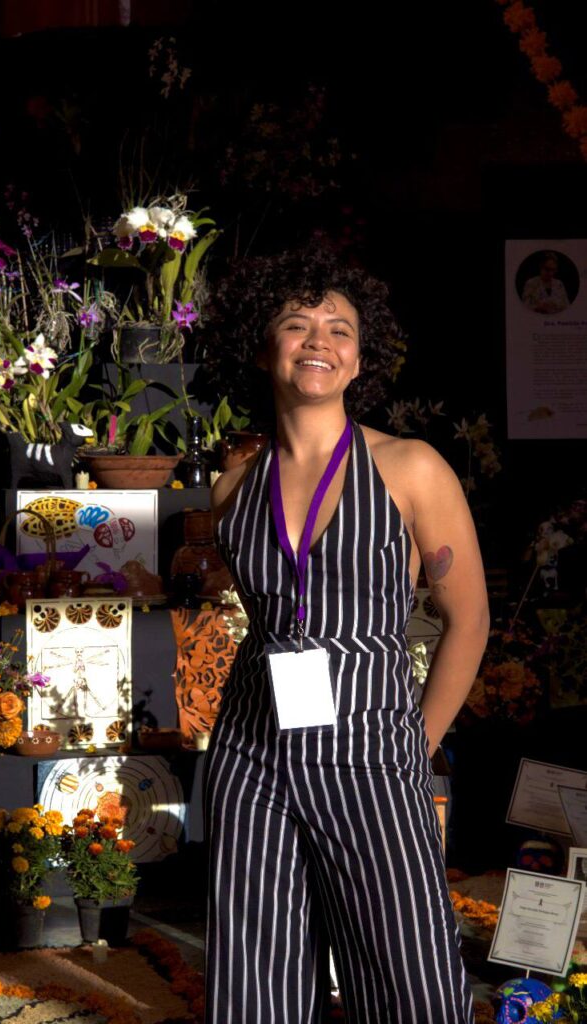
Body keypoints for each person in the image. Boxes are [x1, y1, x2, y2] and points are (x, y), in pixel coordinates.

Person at [201, 247, 490, 1023]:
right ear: (264, 347)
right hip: (251, 755)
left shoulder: (410, 468)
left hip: (373, 751)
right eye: (297, 324)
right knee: (255, 986)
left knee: (411, 983)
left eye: (339, 329)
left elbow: (469, 620)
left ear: (361, 360)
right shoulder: (233, 486)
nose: (318, 340)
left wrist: (414, 746)